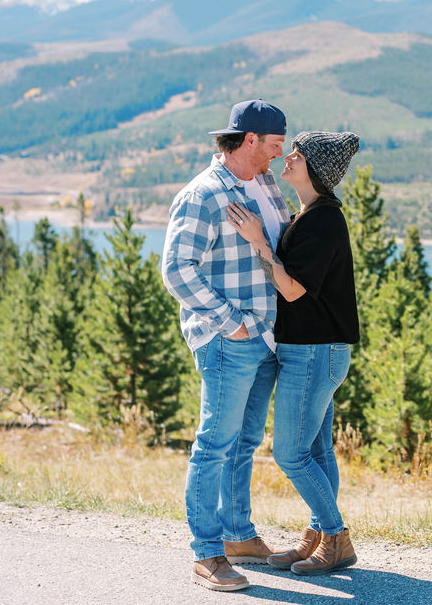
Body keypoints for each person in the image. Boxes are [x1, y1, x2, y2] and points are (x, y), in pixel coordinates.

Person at [161, 99, 291, 592]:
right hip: (228, 340)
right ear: (250, 140)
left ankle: (237, 535)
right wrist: (230, 322)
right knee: (214, 444)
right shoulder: (204, 194)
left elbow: (273, 249)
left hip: (266, 338)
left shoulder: (267, 184)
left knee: (244, 442)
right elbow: (176, 270)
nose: (280, 155)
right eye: (274, 145)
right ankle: (207, 553)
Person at [226, 130, 360, 576]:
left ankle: (336, 537)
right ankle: (316, 538)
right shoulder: (309, 214)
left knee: (289, 453)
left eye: (298, 155)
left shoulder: (324, 220)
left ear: (316, 170)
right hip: (311, 350)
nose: (287, 157)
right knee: (318, 451)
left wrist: (257, 241)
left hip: (314, 352)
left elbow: (291, 288)